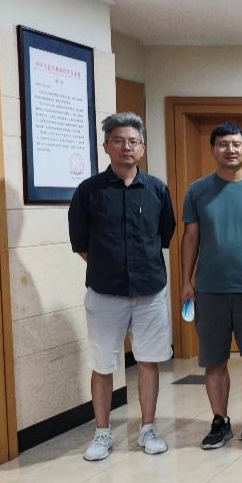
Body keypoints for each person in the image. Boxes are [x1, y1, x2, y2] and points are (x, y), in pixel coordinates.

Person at [68, 112, 175, 461]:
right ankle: (102, 433)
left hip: (150, 291)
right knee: (102, 363)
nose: (126, 147)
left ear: (142, 148)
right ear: (106, 146)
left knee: (148, 360)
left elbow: (165, 234)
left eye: (133, 141)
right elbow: (81, 242)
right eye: (118, 140)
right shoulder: (89, 191)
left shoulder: (157, 189)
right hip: (105, 292)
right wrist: (109, 266)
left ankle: (148, 428)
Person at [180, 122, 242, 449]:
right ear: (213, 149)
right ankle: (219, 421)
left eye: (236, 144)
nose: (230, 149)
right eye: (223, 144)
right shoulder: (197, 191)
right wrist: (186, 282)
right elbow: (190, 237)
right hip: (209, 289)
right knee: (214, 360)